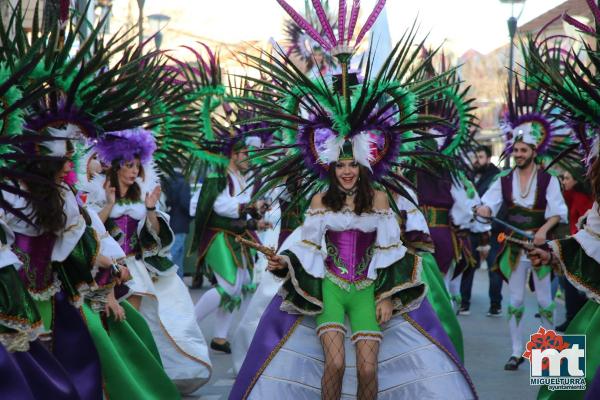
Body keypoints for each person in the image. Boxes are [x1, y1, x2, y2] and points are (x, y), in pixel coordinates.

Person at [88, 128, 212, 394]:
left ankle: (137, 379)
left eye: (136, 166)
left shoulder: (142, 197)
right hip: (106, 267)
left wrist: (152, 208)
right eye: (129, 165)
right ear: (117, 166)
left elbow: (153, 233)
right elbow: (92, 230)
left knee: (131, 325)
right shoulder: (99, 192)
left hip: (134, 269)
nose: (134, 171)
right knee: (114, 325)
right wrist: (109, 203)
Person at [476, 135, 568, 371]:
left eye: (523, 150)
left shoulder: (548, 180)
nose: (518, 154)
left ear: (534, 152)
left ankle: (549, 356)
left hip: (539, 248)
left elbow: (558, 212)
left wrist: (544, 230)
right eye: (515, 150)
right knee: (515, 300)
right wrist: (484, 208)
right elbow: (488, 204)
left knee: (545, 300)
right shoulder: (504, 179)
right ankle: (516, 351)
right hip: (515, 245)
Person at [192, 138, 270, 354]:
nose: (249, 158)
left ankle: (219, 337)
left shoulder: (241, 178)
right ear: (233, 154)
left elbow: (242, 211)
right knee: (228, 286)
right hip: (218, 237)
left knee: (241, 284)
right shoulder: (219, 176)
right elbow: (221, 207)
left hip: (235, 236)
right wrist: (250, 207)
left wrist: (256, 216)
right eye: (245, 153)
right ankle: (188, 325)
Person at [459, 145, 504, 316]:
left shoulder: (495, 177)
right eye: (475, 156)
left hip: (492, 230)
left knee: (494, 266)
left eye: (481, 156)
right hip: (471, 228)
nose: (477, 160)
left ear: (488, 158)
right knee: (468, 265)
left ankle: (495, 304)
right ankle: (464, 303)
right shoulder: (469, 175)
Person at [555, 169, 593, 331]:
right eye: (562, 178)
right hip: (577, 246)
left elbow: (588, 226)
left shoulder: (583, 199)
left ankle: (573, 319)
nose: (564, 181)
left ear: (576, 180)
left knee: (575, 286)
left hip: (583, 249)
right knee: (570, 284)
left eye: (567, 178)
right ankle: (571, 318)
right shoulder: (572, 196)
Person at [164, 167, 192, 279]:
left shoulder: (168, 181)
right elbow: (186, 204)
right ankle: (166, 278)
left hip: (171, 221)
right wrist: (191, 215)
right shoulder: (183, 183)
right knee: (175, 253)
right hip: (181, 223)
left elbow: (168, 201)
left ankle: (179, 281)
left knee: (177, 253)